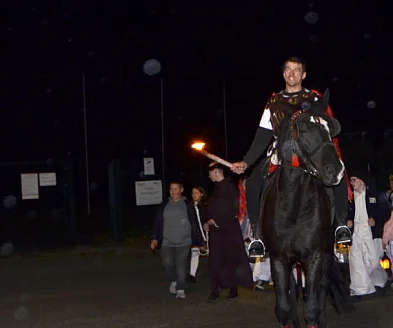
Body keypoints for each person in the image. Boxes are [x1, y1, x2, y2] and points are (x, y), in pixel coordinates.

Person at [230, 57, 351, 259]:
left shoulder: (314, 99)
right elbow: (263, 135)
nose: (292, 73)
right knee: (252, 182)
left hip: (311, 152)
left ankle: (340, 225)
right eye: (288, 70)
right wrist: (246, 161)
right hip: (282, 152)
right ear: (283, 74)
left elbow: (328, 128)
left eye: (297, 70)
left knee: (337, 173)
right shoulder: (273, 102)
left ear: (303, 75)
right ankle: (258, 236)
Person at [204, 163, 252, 303]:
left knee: (230, 259)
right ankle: (215, 290)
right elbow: (211, 209)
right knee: (215, 261)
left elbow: (231, 209)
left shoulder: (230, 188)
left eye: (210, 173)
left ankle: (232, 288)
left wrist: (216, 220)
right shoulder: (217, 189)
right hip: (217, 231)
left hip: (228, 230)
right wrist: (207, 221)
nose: (209, 176)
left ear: (216, 172)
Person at [150, 182, 205, 299]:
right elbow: (158, 223)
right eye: (171, 189)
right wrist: (154, 238)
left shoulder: (187, 205)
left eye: (176, 189)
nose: (174, 192)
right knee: (167, 263)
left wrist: (200, 242)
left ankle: (180, 288)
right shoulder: (164, 205)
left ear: (181, 190)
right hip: (167, 241)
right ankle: (174, 280)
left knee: (181, 264)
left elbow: (195, 224)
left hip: (184, 241)